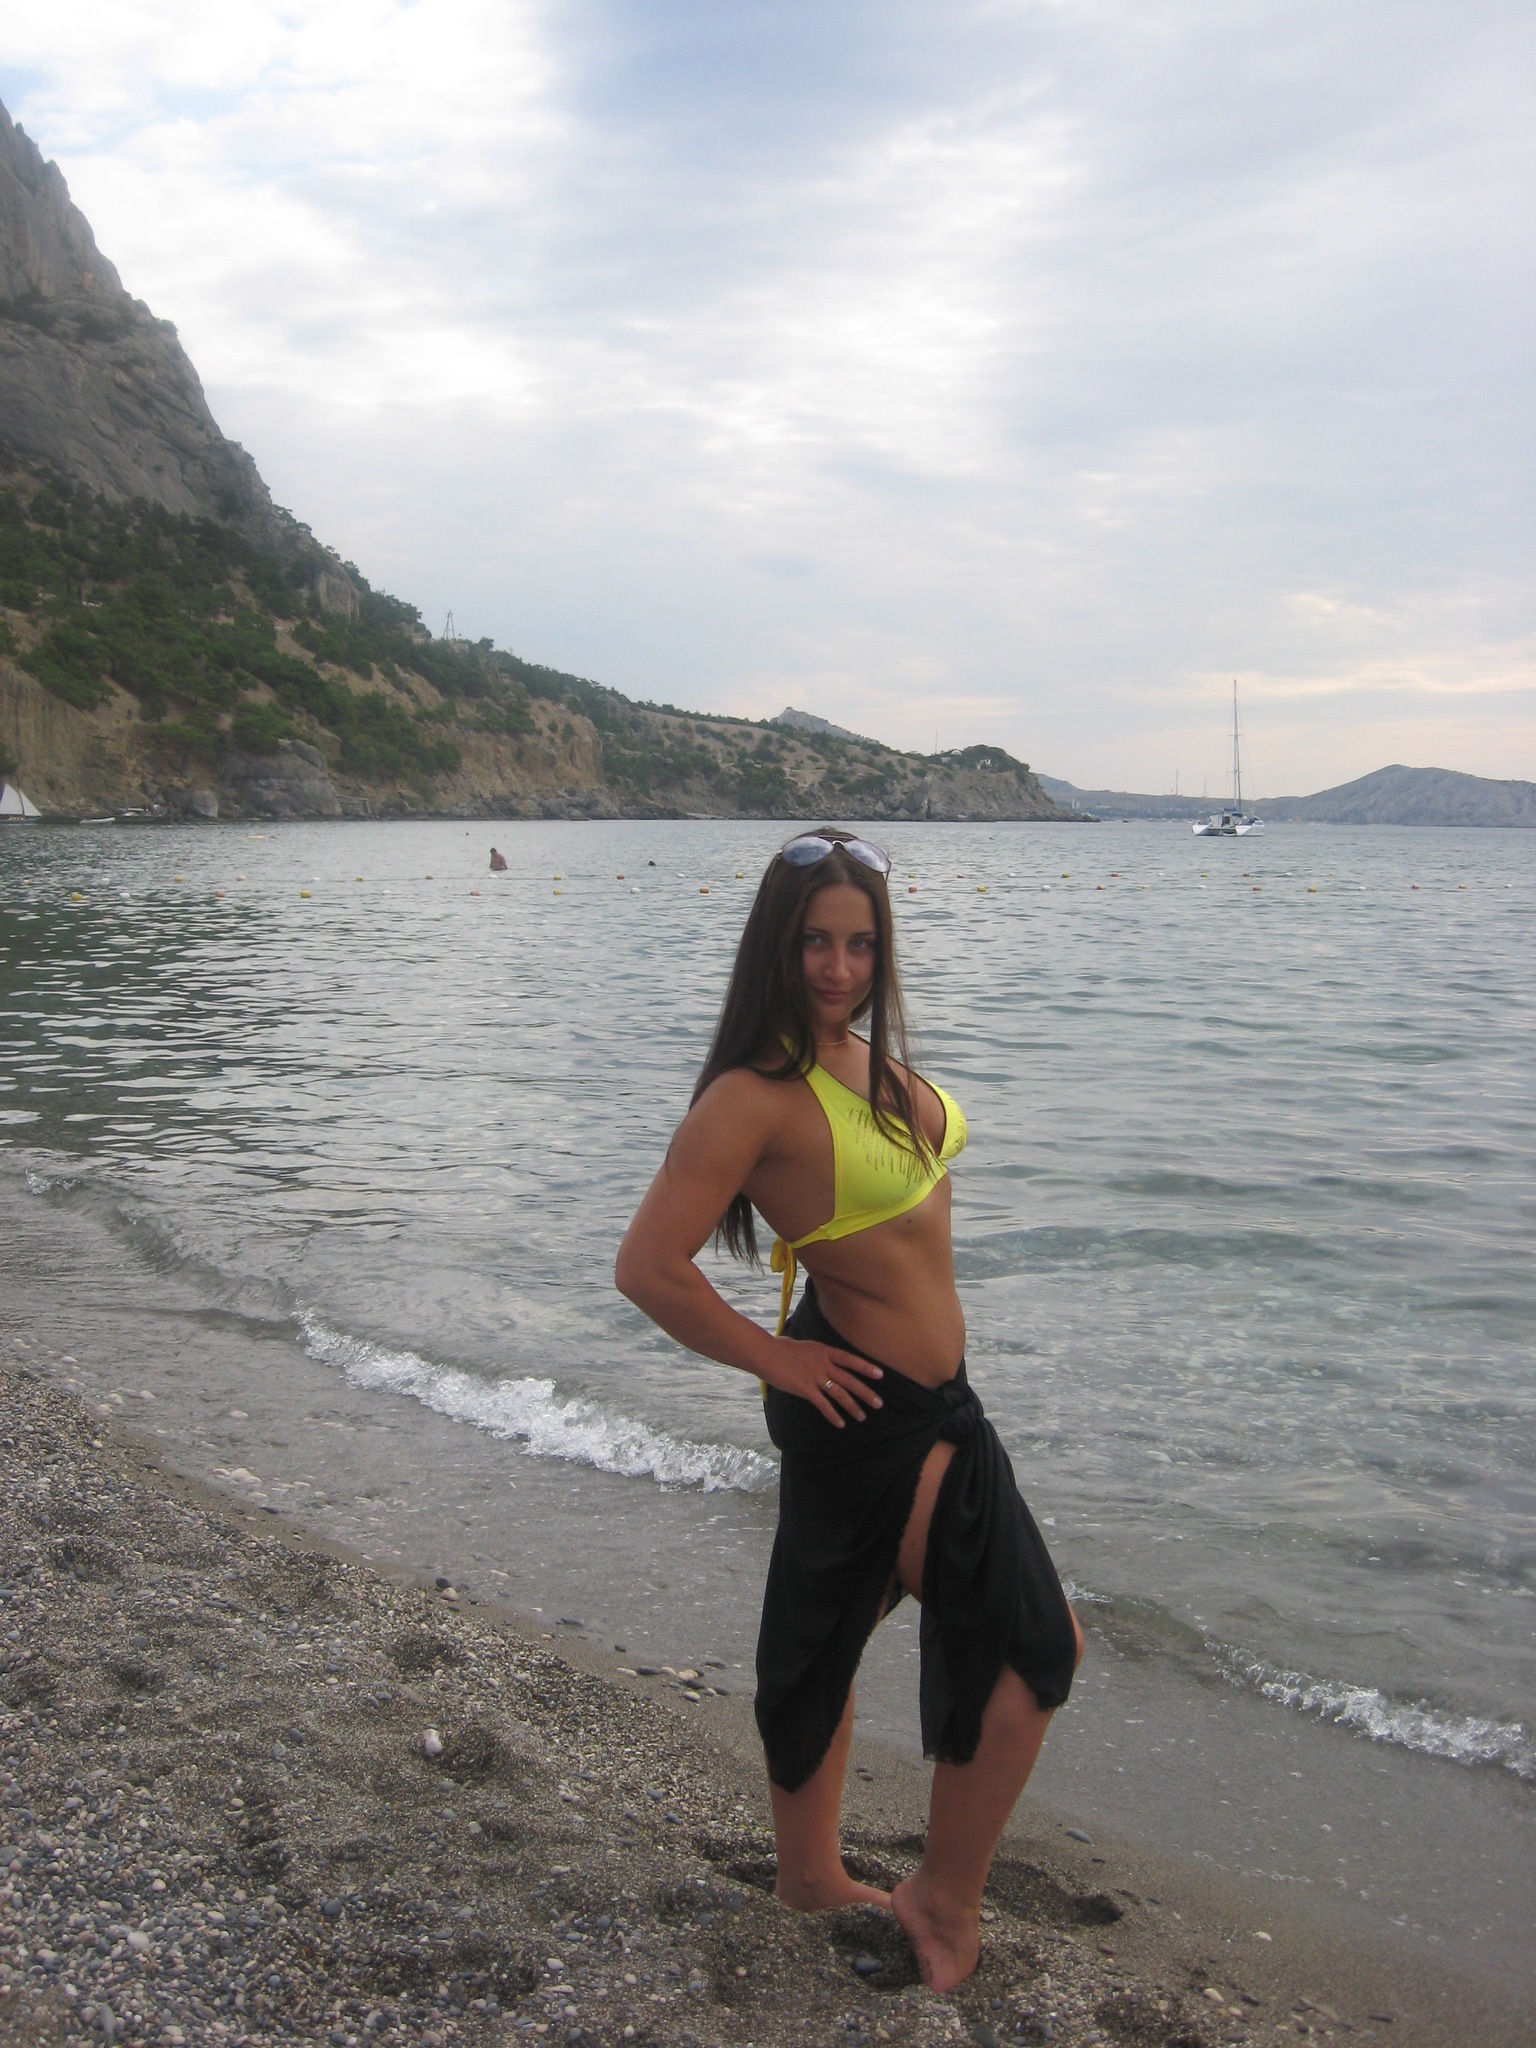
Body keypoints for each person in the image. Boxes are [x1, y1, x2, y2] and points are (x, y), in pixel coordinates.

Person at [616, 829, 1083, 1991]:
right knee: (1033, 1649)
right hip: (873, 1410)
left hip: (924, 1400)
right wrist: (778, 1358)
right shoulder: (751, 1095)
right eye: (816, 942)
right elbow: (649, 1265)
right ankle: (945, 1901)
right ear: (775, 946)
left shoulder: (861, 1057)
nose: (838, 967)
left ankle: (810, 1874)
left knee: (827, 1629)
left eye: (861, 942)